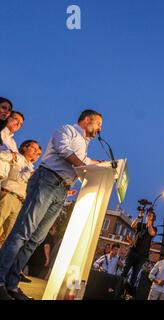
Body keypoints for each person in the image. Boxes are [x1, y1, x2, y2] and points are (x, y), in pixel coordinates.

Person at [0, 109, 103, 300]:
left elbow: (85, 160)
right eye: (98, 123)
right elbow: (64, 150)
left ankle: (12, 284)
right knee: (23, 231)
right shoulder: (67, 130)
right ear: (87, 119)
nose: (100, 129)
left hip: (61, 190)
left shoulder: (84, 144)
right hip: (47, 180)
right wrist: (84, 166)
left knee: (36, 238)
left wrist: (103, 165)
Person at [0, 140, 41, 245]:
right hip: (8, 195)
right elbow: (2, 156)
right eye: (34, 148)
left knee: (7, 236)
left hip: (19, 202)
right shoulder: (17, 157)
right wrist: (9, 154)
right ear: (24, 147)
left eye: (38, 152)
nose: (36, 152)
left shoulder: (31, 167)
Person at [121, 207, 157, 296]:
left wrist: (149, 222)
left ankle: (127, 293)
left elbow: (151, 233)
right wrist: (139, 216)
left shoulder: (154, 228)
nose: (148, 216)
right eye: (147, 215)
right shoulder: (140, 225)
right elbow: (132, 225)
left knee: (134, 274)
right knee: (125, 270)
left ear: (153, 218)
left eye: (150, 215)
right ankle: (118, 288)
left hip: (142, 256)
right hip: (133, 251)